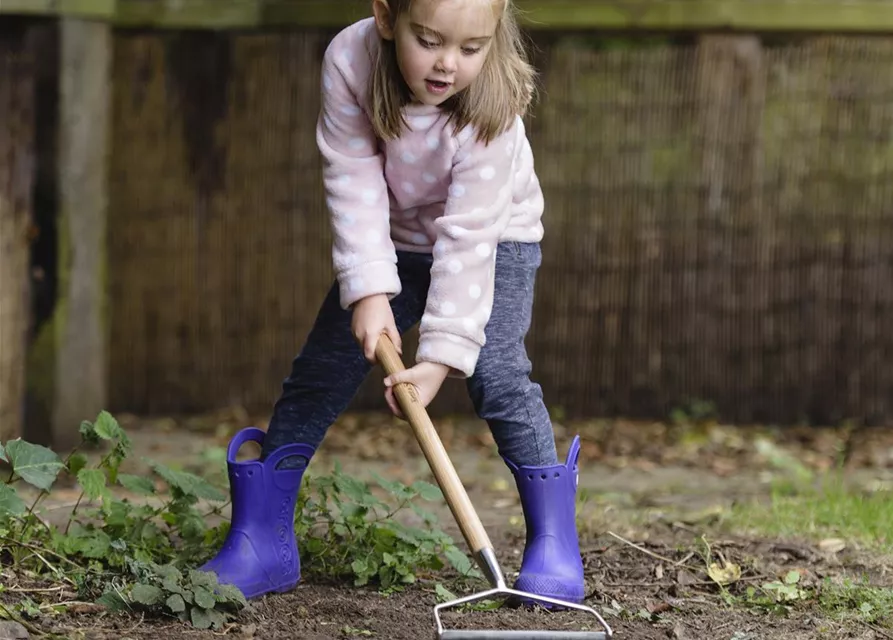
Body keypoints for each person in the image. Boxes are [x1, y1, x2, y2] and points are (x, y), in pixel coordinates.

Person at [200, 0, 587, 607]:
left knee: (498, 374)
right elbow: (351, 173)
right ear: (385, 17)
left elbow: (468, 235)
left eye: (470, 48)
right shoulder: (351, 60)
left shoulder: (497, 104)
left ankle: (555, 543)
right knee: (319, 375)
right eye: (429, 41)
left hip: (494, 239)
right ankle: (261, 543)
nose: (448, 66)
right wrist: (370, 289)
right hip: (390, 242)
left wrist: (439, 357)